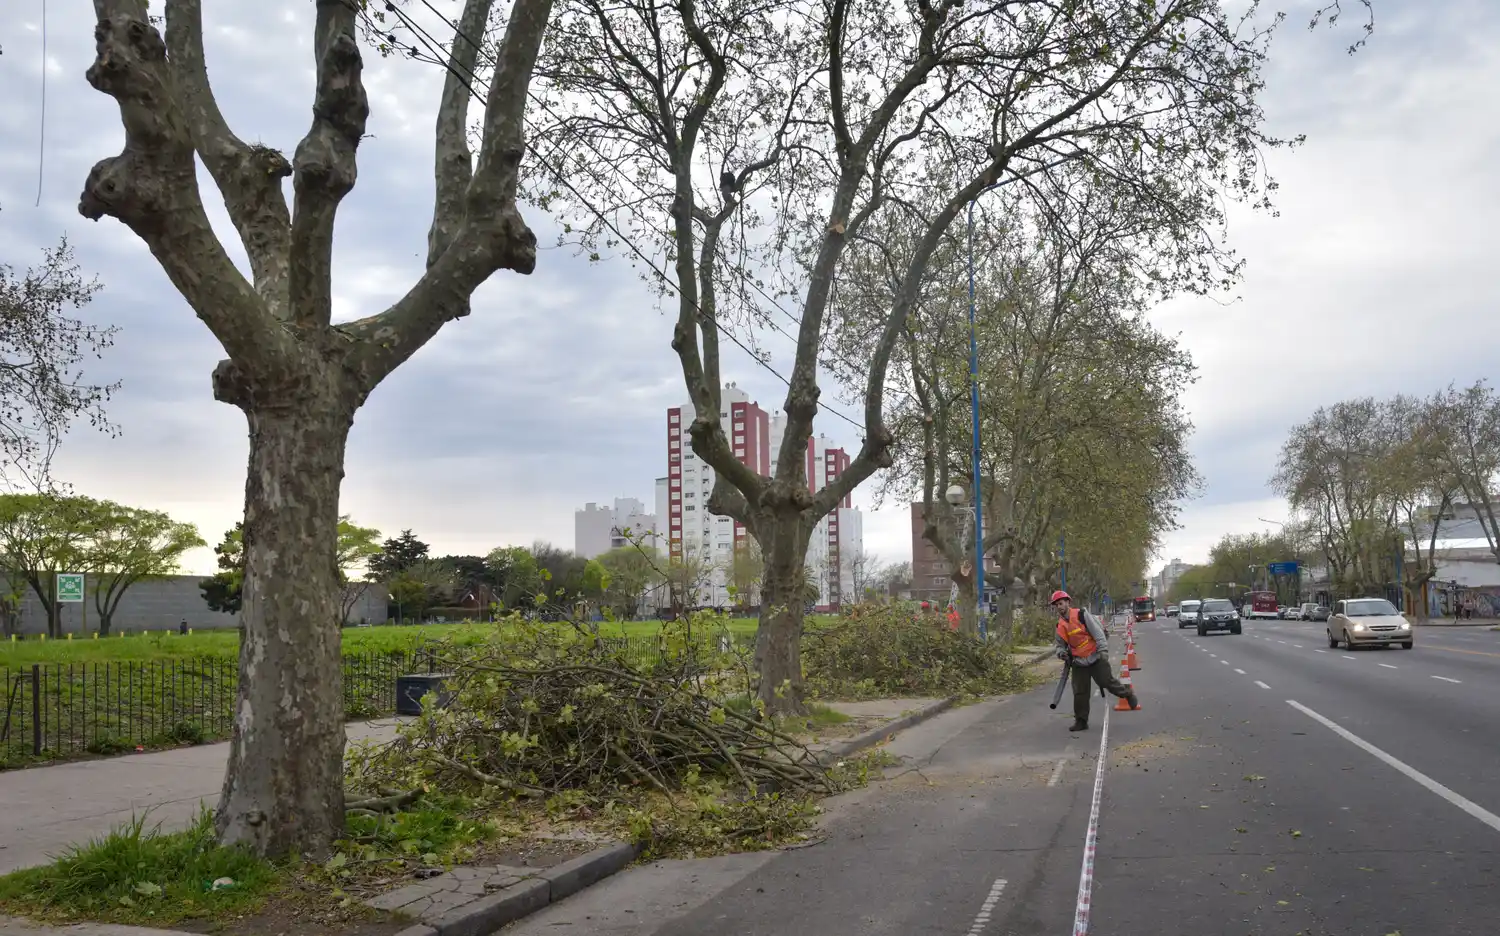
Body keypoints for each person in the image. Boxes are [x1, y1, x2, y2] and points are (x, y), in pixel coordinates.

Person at [1052, 589, 1137, 731]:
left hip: (1096, 657)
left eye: (1060, 603)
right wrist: (1061, 653)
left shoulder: (1082, 615)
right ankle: (1081, 721)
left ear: (1068, 602)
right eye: (1056, 605)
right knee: (1080, 692)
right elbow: (1060, 646)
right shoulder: (1060, 626)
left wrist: (1103, 651)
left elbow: (1098, 634)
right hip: (1078, 662)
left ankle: (1127, 694)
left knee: (1107, 682)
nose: (1059, 607)